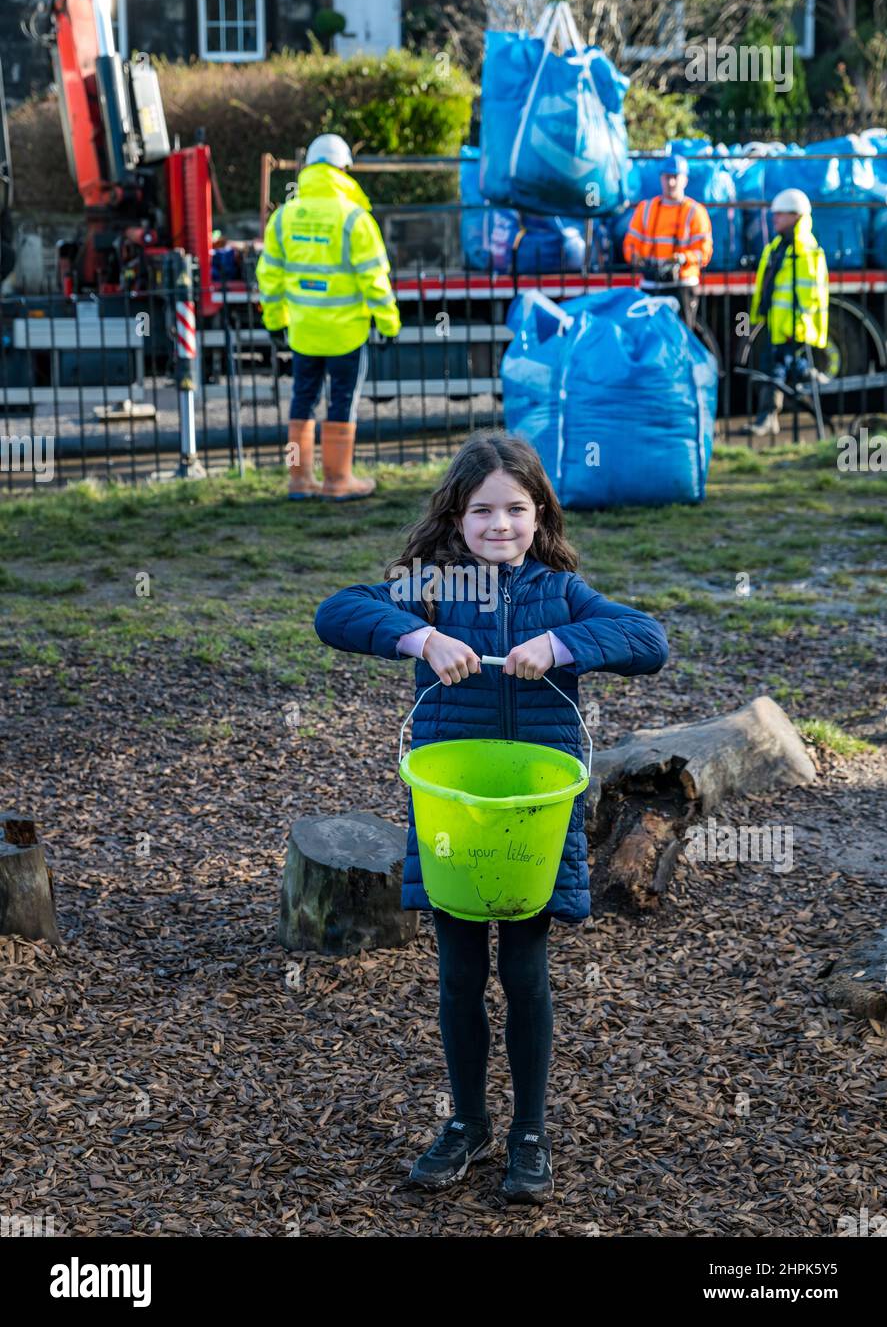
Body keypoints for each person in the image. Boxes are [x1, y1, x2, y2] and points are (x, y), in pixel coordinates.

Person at [313, 432, 669, 1205]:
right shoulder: (432, 589)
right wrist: (420, 636)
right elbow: (335, 613)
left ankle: (528, 1132)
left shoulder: (563, 595)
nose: (500, 524)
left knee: (526, 970)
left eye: (517, 508)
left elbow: (649, 641)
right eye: (483, 511)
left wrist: (562, 642)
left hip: (533, 821)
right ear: (457, 515)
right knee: (460, 972)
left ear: (540, 515)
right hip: (454, 818)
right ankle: (467, 1123)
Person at [256, 133, 401, 501]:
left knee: (300, 404)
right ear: (343, 169)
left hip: (303, 332)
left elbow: (269, 277)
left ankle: (298, 479)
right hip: (346, 333)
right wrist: (388, 323)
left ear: (308, 169)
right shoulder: (355, 217)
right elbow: (375, 279)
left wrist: (275, 321)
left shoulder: (284, 216)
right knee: (341, 403)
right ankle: (338, 481)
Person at [745, 188, 829, 437]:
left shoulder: (806, 251)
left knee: (775, 370)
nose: (775, 219)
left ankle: (768, 417)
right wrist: (757, 316)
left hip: (791, 327)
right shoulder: (777, 247)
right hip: (776, 322)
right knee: (777, 368)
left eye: (780, 215)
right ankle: (810, 377)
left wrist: (798, 328)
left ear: (796, 216)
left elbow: (811, 295)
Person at [622, 153, 713, 331]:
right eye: (667, 177)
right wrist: (637, 259)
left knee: (681, 335)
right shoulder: (645, 209)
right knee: (649, 336)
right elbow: (631, 244)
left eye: (675, 177)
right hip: (651, 283)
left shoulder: (695, 212)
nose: (671, 183)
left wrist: (681, 259)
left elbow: (704, 251)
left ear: (685, 180)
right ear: (661, 179)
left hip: (681, 285)